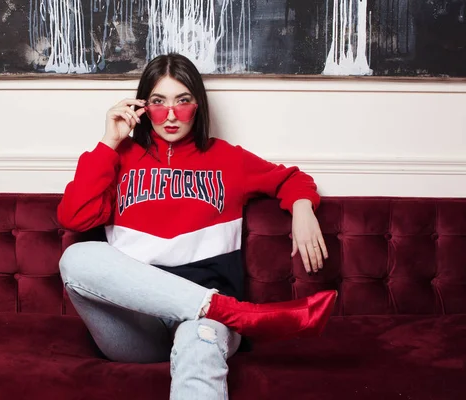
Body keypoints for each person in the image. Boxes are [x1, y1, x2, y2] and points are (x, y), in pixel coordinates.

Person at [57, 53, 336, 399]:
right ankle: (238, 313)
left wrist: (303, 208)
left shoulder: (228, 159)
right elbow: (75, 217)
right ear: (142, 107)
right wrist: (108, 143)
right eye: (158, 102)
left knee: (200, 339)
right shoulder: (121, 157)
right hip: (136, 327)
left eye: (183, 101)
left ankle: (220, 312)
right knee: (76, 258)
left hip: (204, 326)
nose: (171, 115)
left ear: (198, 106)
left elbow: (291, 179)